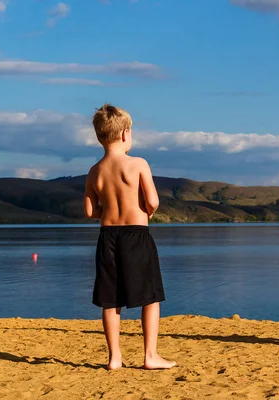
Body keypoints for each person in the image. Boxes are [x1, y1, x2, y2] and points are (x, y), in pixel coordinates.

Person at [84, 103, 176, 370]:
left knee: (110, 299)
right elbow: (154, 201)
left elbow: (90, 211)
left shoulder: (94, 171)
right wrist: (146, 210)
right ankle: (150, 355)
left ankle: (114, 357)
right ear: (125, 134)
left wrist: (107, 209)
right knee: (150, 296)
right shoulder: (137, 164)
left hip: (107, 236)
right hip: (137, 235)